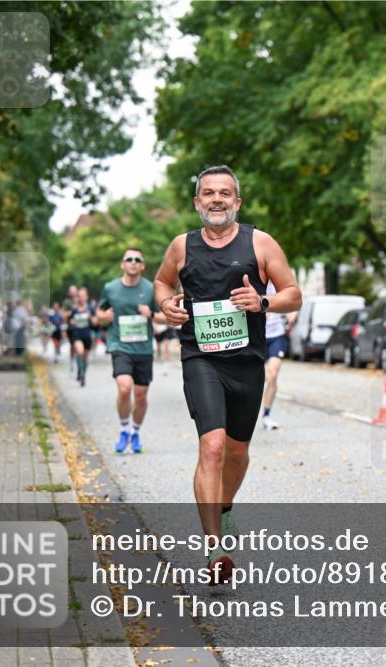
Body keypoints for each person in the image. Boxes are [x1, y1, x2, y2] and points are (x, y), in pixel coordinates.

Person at [155, 165, 301, 582]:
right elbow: (162, 284)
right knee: (213, 448)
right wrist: (168, 306)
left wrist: (264, 302)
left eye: (224, 193)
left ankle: (225, 506)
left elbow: (293, 293)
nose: (216, 199)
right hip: (200, 357)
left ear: (237, 201)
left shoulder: (260, 242)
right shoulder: (182, 246)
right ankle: (214, 548)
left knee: (237, 452)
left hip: (247, 362)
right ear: (196, 202)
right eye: (208, 193)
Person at [96, 247, 167, 454]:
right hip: (120, 345)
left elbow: (168, 316)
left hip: (143, 348)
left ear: (142, 266)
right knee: (124, 388)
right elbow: (99, 312)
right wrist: (104, 317)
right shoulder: (110, 288)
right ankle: (124, 428)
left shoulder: (151, 289)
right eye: (129, 259)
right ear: (123, 264)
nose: (133, 262)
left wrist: (151, 315)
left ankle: (135, 432)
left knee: (141, 396)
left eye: (137, 259)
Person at [260, 282, 292, 431]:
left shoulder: (278, 278)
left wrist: (292, 314)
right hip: (257, 337)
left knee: (272, 374)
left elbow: (294, 297)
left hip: (277, 335)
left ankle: (266, 415)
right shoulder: (250, 274)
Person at [66, 288, 97, 386]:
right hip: (77, 334)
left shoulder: (90, 309)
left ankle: (82, 373)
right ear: (77, 297)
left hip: (87, 335)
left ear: (86, 297)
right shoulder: (74, 309)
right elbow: (68, 320)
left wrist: (90, 317)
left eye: (83, 296)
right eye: (80, 296)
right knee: (80, 351)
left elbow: (95, 322)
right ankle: (81, 372)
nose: (81, 298)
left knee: (85, 357)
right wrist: (71, 322)